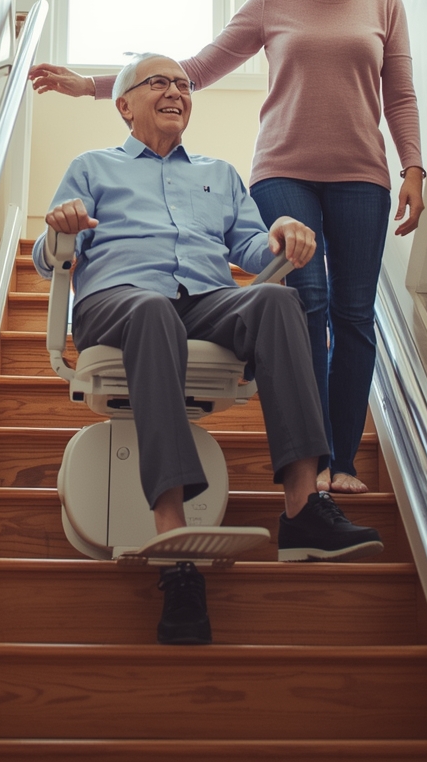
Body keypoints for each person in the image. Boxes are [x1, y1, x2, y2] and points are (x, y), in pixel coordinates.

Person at [31, 0, 424, 495]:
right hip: (284, 166)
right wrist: (92, 87)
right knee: (307, 299)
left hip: (361, 175)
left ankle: (339, 464)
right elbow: (190, 69)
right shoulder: (273, 3)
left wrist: (413, 168)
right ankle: (308, 468)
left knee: (352, 315)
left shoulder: (383, 5)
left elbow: (399, 93)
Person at [33, 52, 385, 645]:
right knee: (151, 311)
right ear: (123, 106)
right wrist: (57, 228)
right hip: (119, 302)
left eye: (184, 84)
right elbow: (51, 261)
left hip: (203, 301)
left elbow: (251, 249)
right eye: (159, 83)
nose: (176, 91)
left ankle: (303, 507)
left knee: (278, 302)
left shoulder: (220, 175)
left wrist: (281, 237)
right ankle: (171, 532)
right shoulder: (92, 167)